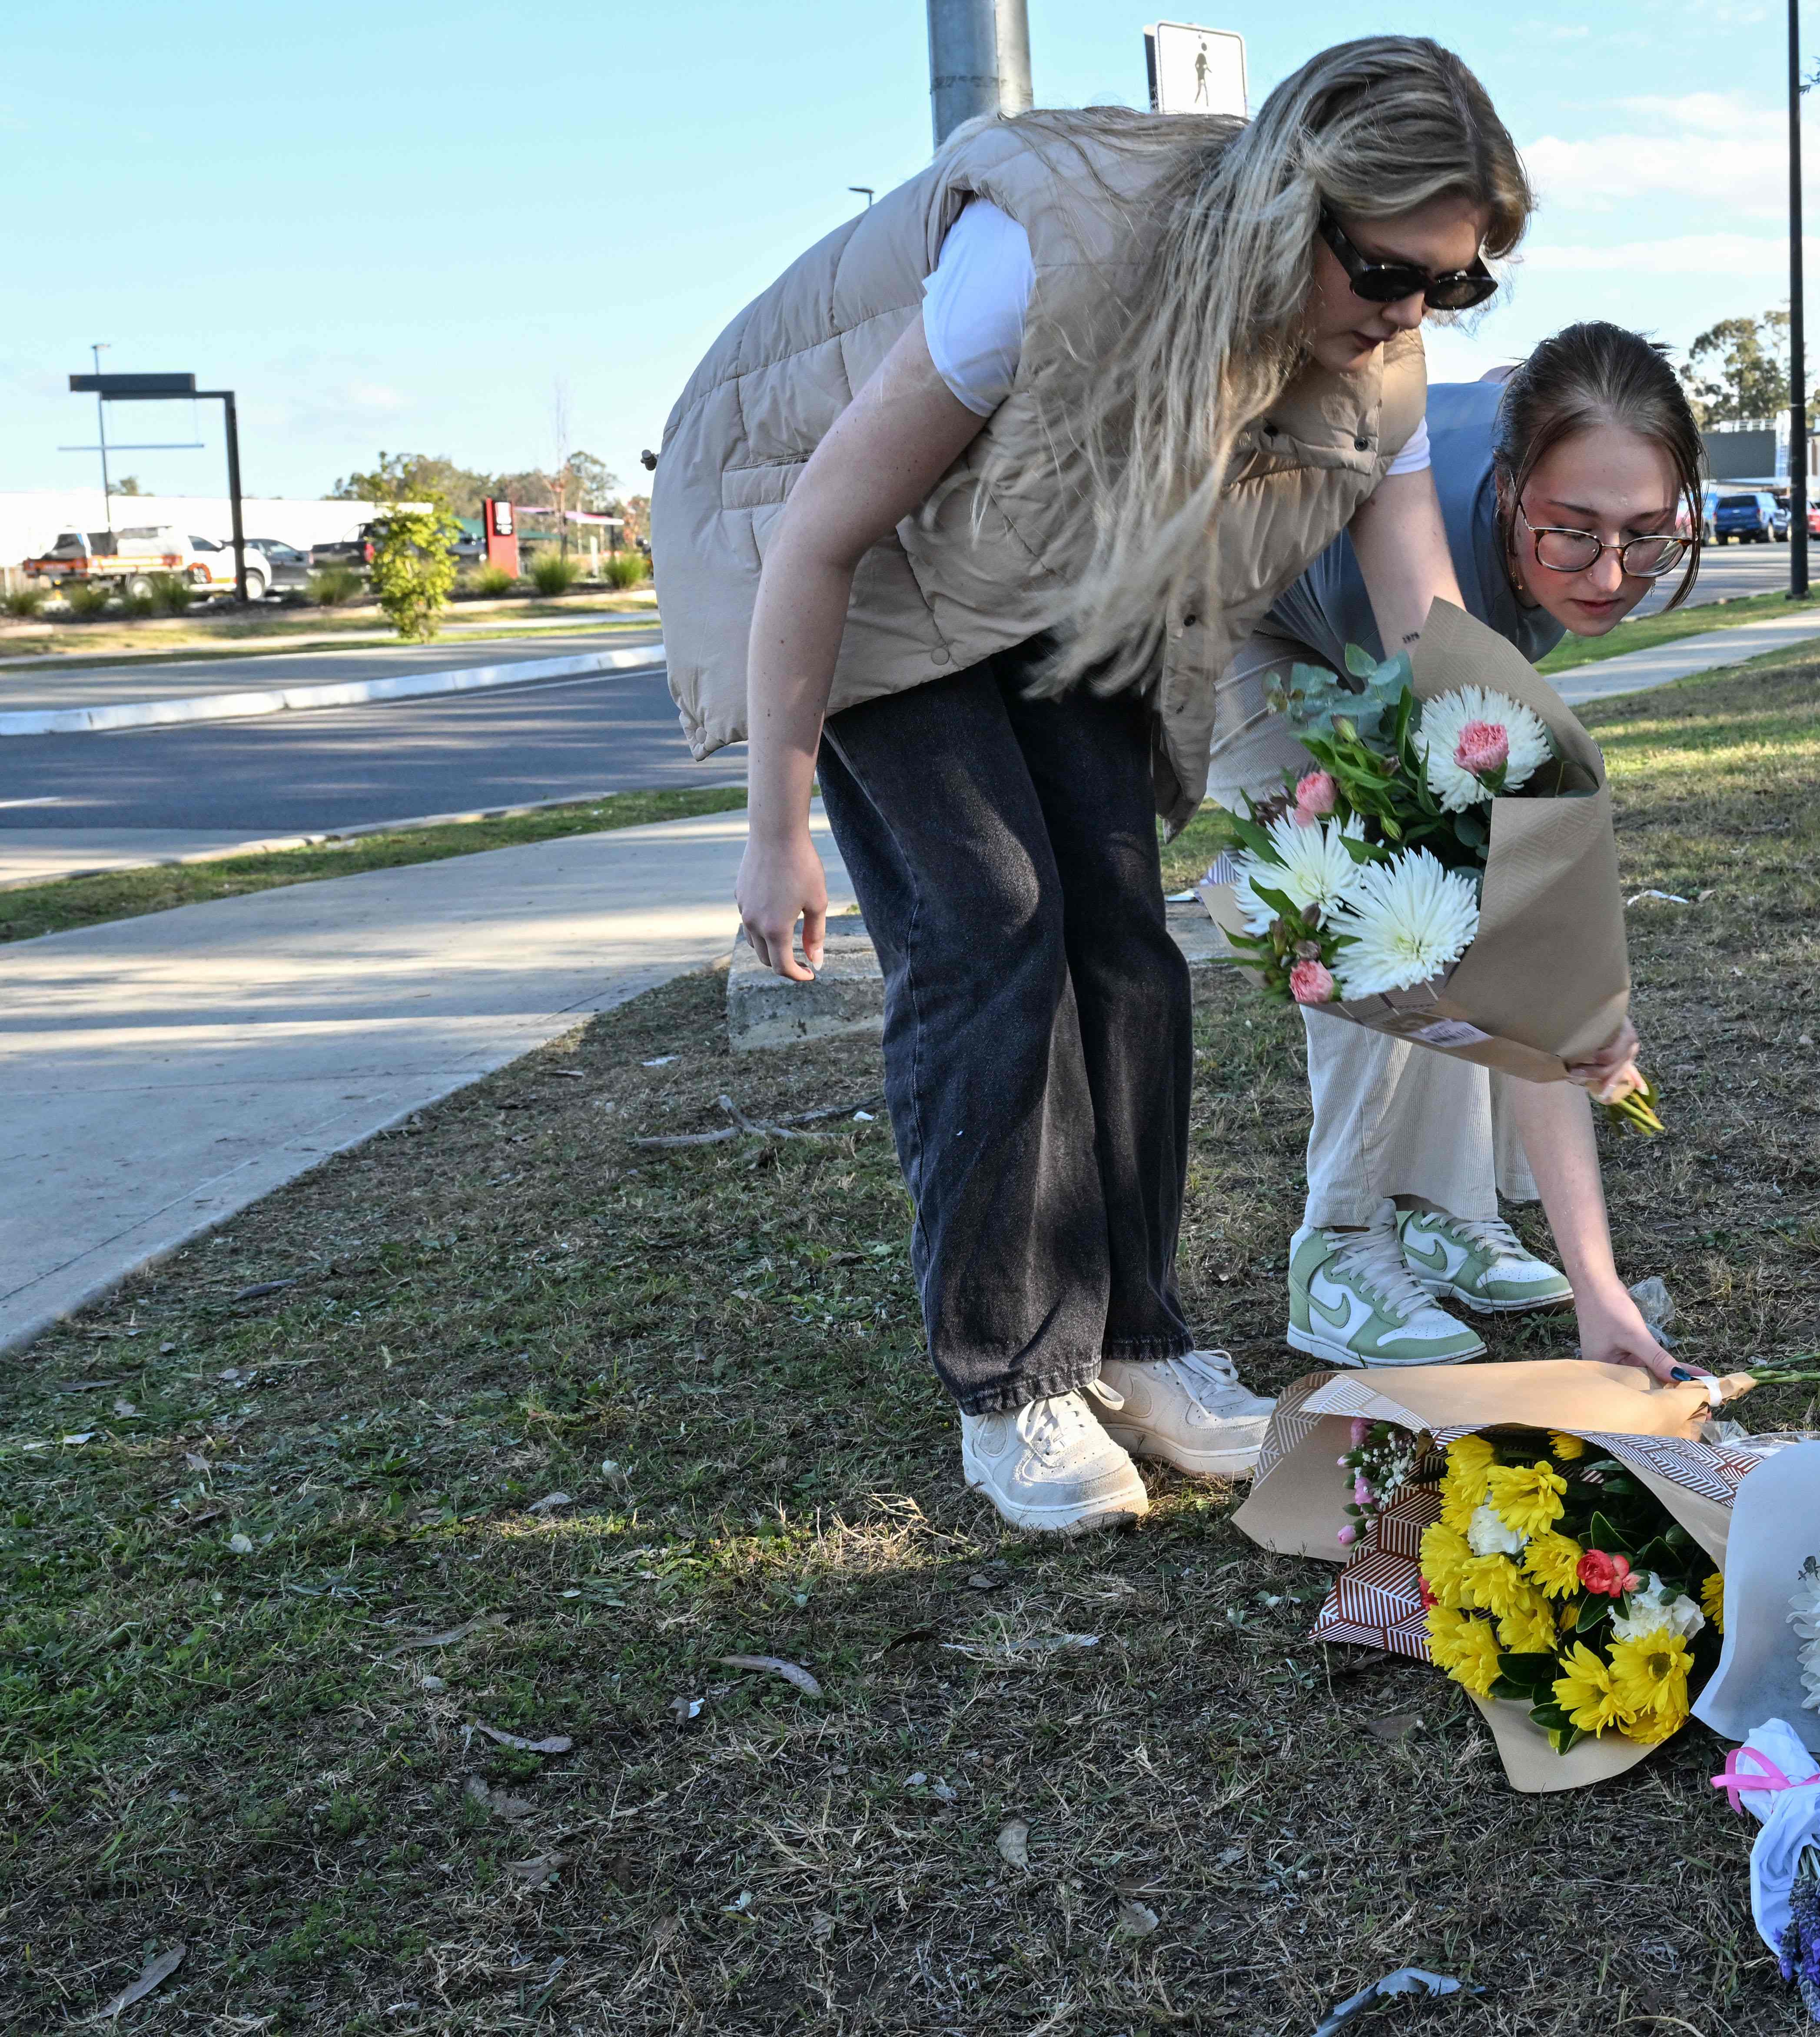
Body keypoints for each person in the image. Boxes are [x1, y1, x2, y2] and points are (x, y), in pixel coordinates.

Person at [652, 38, 1538, 1536]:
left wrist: (1510, 840)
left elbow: (1427, 622)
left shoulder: (1376, 344)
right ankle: (1013, 1381)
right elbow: (817, 536)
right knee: (993, 916)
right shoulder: (1043, 260)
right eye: (1391, 272)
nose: (1412, 315)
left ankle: (1143, 1338)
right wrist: (775, 832)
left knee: (1122, 927)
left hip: (1047, 565)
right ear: (1290, 212)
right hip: (835, 544)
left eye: (1455, 287)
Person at [1211, 323, 1704, 1377]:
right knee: (1367, 916)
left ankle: (1443, 1209)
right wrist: (1599, 1279)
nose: (1612, 572)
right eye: (1572, 531)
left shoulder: (1553, 485)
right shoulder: (1441, 570)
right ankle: (1339, 1245)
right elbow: (1517, 945)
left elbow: (1528, 913)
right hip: (1248, 621)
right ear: (1507, 487)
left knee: (1451, 894)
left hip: (1387, 632)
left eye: (1647, 533)